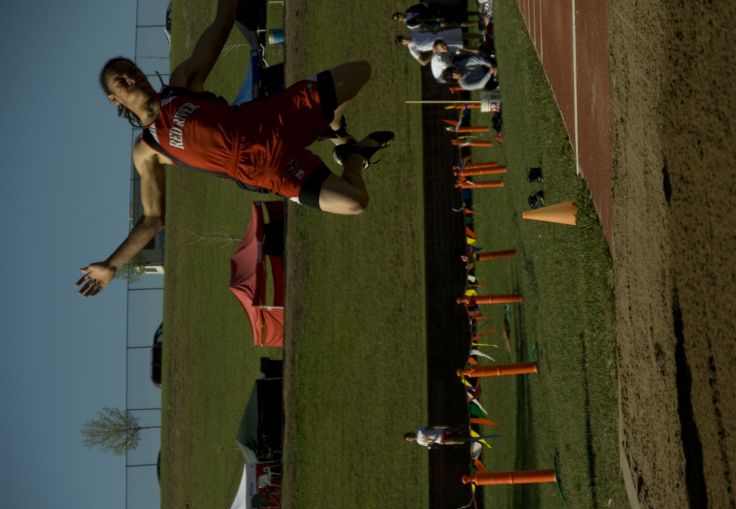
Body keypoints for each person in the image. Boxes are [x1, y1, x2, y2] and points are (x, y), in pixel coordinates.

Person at [76, 0, 393, 298]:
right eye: (121, 80)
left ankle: (334, 129)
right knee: (354, 202)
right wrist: (112, 264)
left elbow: (222, 24)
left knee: (359, 71)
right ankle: (352, 156)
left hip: (272, 119)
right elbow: (152, 220)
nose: (131, 78)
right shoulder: (147, 148)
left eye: (131, 70)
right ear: (113, 99)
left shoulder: (181, 83)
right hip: (267, 169)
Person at [392, 2, 469, 31]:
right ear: (399, 21)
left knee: (455, 10)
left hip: (434, 10)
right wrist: (438, 25)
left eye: (398, 14)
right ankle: (475, 23)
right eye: (398, 17)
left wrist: (431, 5)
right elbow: (424, 26)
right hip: (435, 19)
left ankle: (476, 13)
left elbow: (421, 5)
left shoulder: (408, 10)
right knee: (456, 21)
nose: (399, 15)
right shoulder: (409, 24)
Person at [404, 425, 470, 449]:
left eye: (409, 435)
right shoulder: (420, 442)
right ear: (411, 441)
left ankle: (469, 425)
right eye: (409, 439)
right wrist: (431, 446)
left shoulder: (419, 430)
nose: (410, 437)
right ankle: (473, 439)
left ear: (410, 433)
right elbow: (429, 444)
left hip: (442, 432)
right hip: (441, 441)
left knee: (458, 429)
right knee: (461, 441)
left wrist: (442, 426)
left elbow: (432, 427)